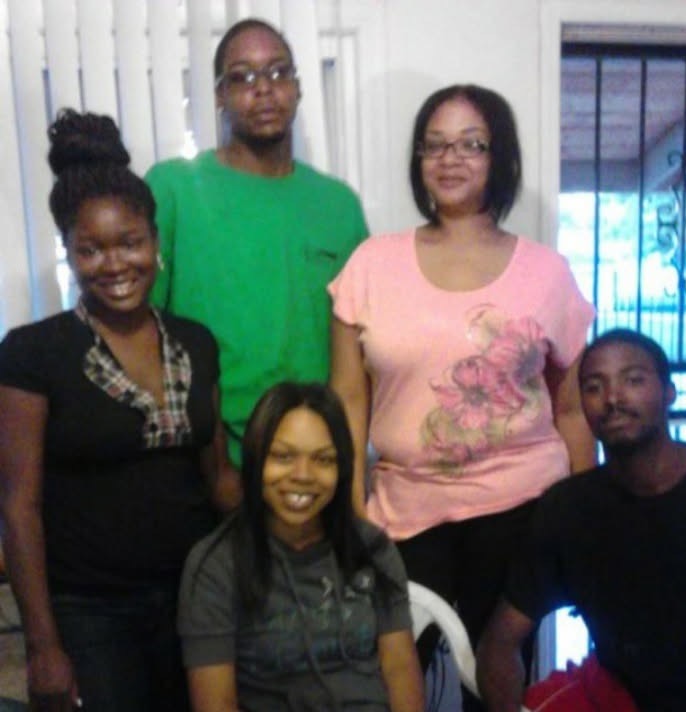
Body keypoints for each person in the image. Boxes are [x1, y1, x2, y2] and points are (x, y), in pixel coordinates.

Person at [329, 84, 595, 709]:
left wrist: (587, 518)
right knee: (391, 685)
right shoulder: (371, 264)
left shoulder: (546, 272)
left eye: (471, 144)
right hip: (404, 509)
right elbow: (347, 398)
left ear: (499, 158)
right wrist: (351, 509)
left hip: (523, 508)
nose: (450, 159)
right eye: (435, 145)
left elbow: (571, 406)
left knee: (498, 688)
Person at [0, 109, 239, 712]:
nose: (114, 265)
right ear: (69, 252)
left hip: (196, 599)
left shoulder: (197, 343)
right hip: (91, 614)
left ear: (155, 243)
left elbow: (218, 478)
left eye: (130, 243)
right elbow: (19, 507)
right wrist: (43, 647)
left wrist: (300, 519)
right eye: (91, 250)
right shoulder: (33, 354)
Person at [146, 18, 368, 462]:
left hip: (311, 458)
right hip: (205, 456)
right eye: (243, 76)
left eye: (278, 72)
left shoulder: (337, 205)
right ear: (219, 96)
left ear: (298, 88)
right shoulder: (173, 189)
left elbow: (359, 351)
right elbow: (141, 329)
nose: (264, 88)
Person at [476, 328, 686, 712]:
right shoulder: (569, 510)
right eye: (594, 387)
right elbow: (499, 644)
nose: (613, 398)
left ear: (669, 392)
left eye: (633, 380)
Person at [178, 381, 424, 711]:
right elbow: (216, 704)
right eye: (283, 456)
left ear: (341, 469)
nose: (303, 475)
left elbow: (399, 668)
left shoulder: (371, 548)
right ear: (255, 460)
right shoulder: (215, 566)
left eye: (323, 459)